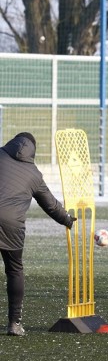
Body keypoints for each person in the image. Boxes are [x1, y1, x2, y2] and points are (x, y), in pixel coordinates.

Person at [0, 133, 77, 336]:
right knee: (14, 270)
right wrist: (67, 220)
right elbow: (50, 205)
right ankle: (14, 324)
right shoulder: (33, 173)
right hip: (12, 225)